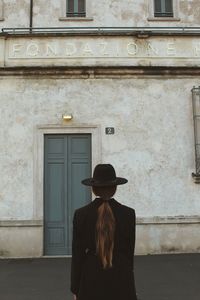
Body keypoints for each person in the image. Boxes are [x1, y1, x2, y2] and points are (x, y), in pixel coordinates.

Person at [70, 164, 137, 300]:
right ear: (115, 188)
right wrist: (130, 284)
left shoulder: (81, 214)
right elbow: (129, 253)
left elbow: (78, 255)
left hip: (90, 276)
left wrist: (75, 288)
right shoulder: (128, 213)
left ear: (93, 189)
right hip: (121, 275)